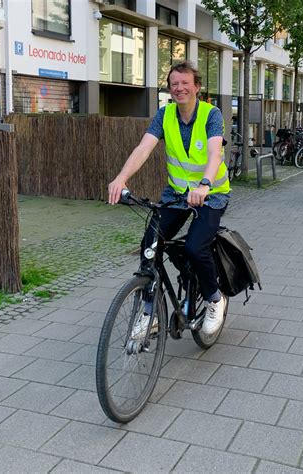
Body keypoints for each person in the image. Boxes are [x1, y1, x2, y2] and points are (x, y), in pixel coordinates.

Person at [108, 60, 230, 336]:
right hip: (176, 194)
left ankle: (214, 298)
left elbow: (215, 154)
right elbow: (143, 148)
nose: (179, 88)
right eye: (174, 84)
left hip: (211, 195)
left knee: (195, 247)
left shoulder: (211, 115)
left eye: (185, 83)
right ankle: (150, 312)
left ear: (196, 87)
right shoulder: (164, 115)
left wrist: (205, 184)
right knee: (150, 244)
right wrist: (121, 178)